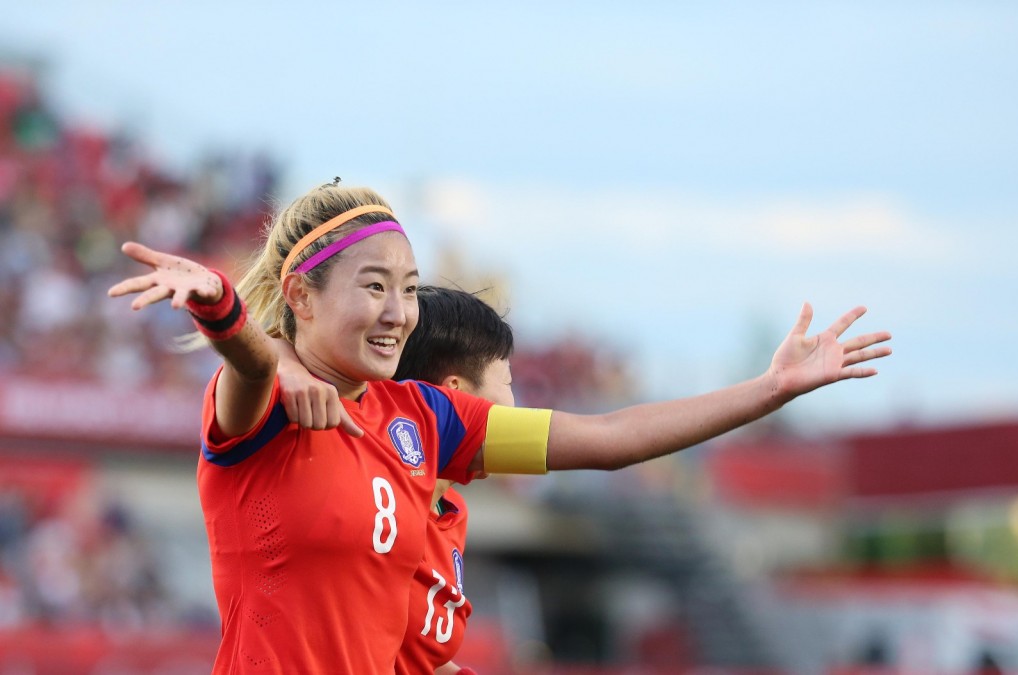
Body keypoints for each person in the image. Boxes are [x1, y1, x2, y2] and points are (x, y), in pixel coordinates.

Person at [107, 181, 891, 674]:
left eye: (407, 289)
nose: (395, 312)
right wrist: (218, 303)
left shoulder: (429, 420)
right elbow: (247, 362)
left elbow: (611, 436)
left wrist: (767, 389)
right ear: (300, 297)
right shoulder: (262, 407)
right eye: (372, 285)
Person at [277, 284, 513, 675]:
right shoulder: (365, 492)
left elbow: (408, 655)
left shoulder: (451, 508)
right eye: (507, 383)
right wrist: (281, 358)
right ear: (458, 396)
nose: (517, 405)